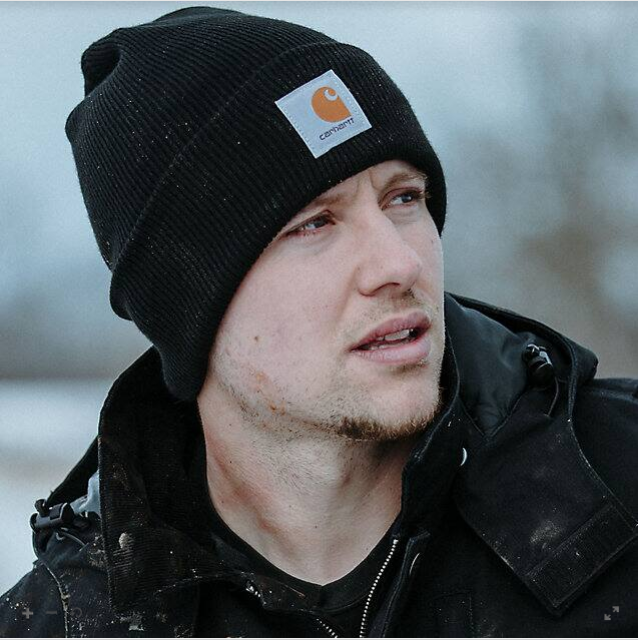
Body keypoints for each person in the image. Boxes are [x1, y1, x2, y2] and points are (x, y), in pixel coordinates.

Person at [1, 5, 637, 638]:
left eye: (404, 197)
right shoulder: (65, 626)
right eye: (314, 223)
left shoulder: (620, 481)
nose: (400, 261)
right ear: (186, 305)